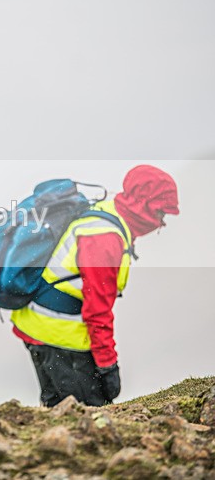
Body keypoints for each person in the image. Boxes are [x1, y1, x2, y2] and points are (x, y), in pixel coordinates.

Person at [10, 165, 180, 407]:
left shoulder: (108, 212)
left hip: (39, 326)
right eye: (161, 213)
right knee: (90, 415)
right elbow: (97, 310)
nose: (162, 223)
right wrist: (108, 365)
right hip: (60, 338)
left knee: (56, 411)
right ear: (144, 205)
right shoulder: (105, 240)